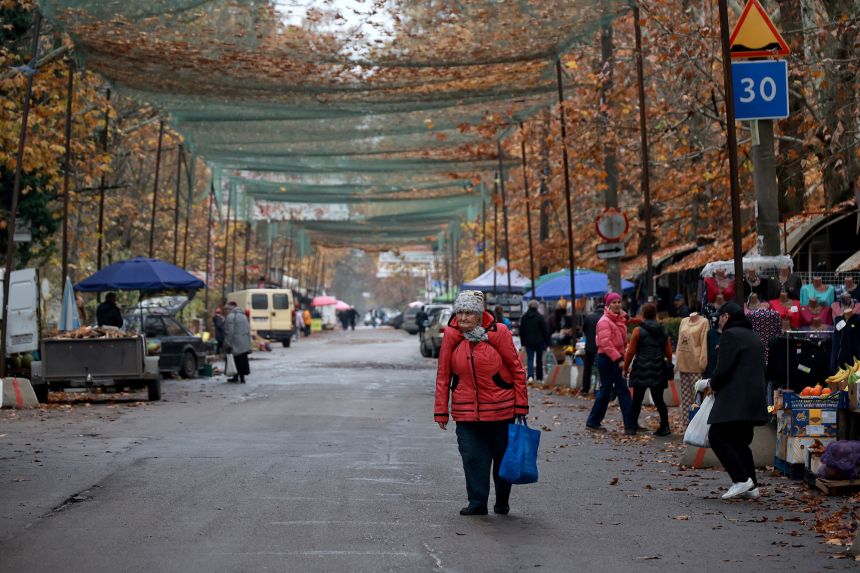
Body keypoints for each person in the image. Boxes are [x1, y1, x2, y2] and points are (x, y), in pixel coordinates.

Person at [434, 290, 528, 516]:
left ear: (479, 313)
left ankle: (502, 501)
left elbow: (517, 369)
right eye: (460, 312)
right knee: (473, 459)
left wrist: (521, 406)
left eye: (469, 312)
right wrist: (441, 411)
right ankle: (477, 503)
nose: (463, 318)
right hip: (466, 412)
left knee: (502, 459)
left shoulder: (499, 332)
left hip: (501, 410)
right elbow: (443, 374)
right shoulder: (451, 335)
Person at [694, 302, 768, 499]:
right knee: (740, 441)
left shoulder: (730, 335)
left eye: (720, 317)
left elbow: (723, 369)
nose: (718, 320)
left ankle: (741, 480)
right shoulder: (753, 335)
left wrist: (711, 383)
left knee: (718, 436)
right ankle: (752, 486)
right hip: (753, 397)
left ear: (726, 316)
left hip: (735, 398)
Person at [585, 292, 634, 433]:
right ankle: (628, 425)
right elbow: (606, 344)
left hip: (615, 358)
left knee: (613, 390)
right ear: (608, 305)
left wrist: (622, 358)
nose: (617, 304)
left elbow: (621, 343)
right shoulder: (604, 322)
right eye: (614, 302)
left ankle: (628, 424)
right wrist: (619, 359)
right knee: (614, 390)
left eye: (619, 302)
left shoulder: (619, 320)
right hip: (607, 359)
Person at [624, 303, 672, 436]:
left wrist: (625, 368)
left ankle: (632, 427)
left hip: (641, 368)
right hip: (658, 368)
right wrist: (667, 363)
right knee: (659, 400)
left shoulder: (638, 331)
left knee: (637, 400)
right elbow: (668, 352)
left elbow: (630, 352)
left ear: (643, 315)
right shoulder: (663, 330)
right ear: (656, 314)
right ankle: (665, 426)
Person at [519, 299, 549, 383]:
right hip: (540, 342)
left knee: (530, 359)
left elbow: (522, 330)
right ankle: (539, 377)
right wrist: (547, 342)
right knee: (539, 360)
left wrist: (522, 342)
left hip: (528, 342)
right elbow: (545, 330)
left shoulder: (524, 317)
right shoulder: (540, 317)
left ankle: (530, 376)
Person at [223, 301, 253, 383]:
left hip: (235, 342)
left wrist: (227, 343)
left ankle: (235, 377)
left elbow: (229, 332)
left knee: (235, 359)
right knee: (243, 360)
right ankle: (242, 378)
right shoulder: (243, 316)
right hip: (244, 342)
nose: (226, 311)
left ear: (231, 308)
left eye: (227, 309)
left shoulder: (231, 317)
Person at [581, 303, 603, 395]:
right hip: (601, 347)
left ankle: (585, 388)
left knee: (587, 369)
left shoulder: (589, 317)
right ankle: (600, 389)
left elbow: (584, 330)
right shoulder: (605, 318)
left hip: (589, 347)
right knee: (601, 369)